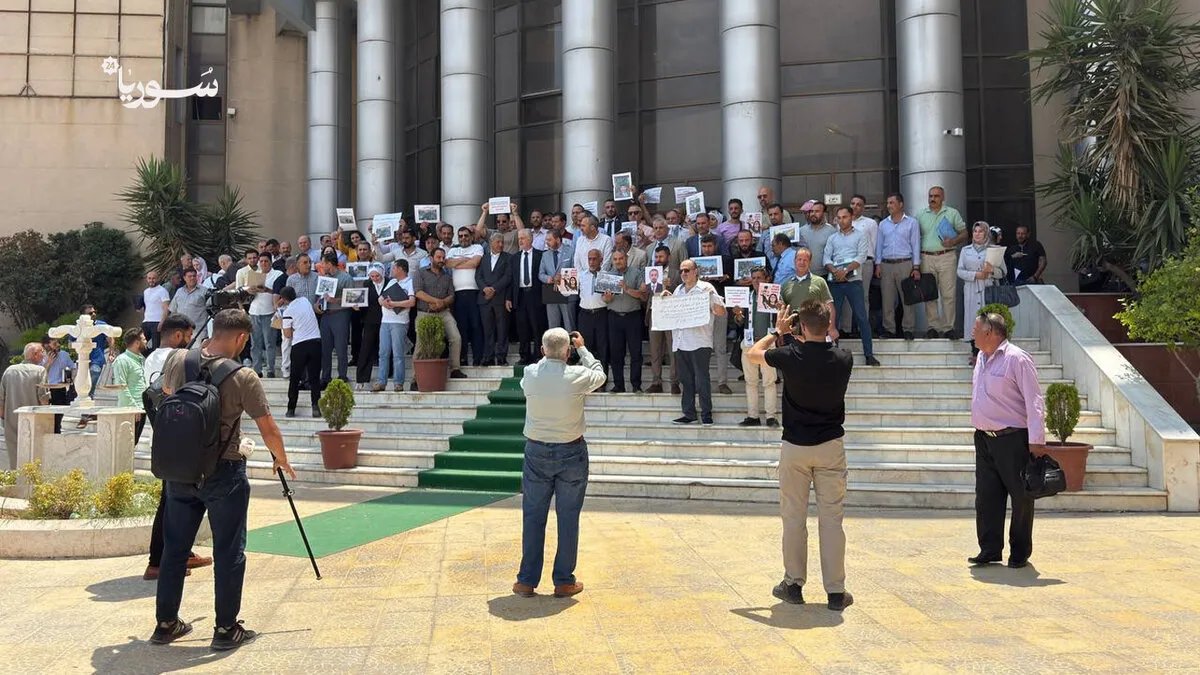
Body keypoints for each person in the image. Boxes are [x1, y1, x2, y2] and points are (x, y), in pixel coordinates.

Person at [150, 309, 296, 651]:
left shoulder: (178, 359)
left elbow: (169, 398)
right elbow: (268, 427)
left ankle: (166, 624)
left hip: (180, 470)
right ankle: (226, 629)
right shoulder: (244, 376)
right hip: (224, 471)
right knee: (229, 550)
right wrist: (281, 459)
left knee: (174, 550)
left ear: (214, 330)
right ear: (242, 338)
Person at [746, 300, 855, 611]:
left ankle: (794, 583)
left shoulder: (790, 355)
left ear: (801, 327)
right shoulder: (843, 358)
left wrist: (777, 331)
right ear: (827, 325)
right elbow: (826, 342)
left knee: (794, 518)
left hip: (795, 446)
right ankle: (836, 591)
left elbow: (753, 354)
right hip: (831, 445)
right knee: (832, 520)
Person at [512, 328, 607, 599]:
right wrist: (583, 350)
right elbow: (600, 375)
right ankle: (563, 580)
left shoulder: (530, 374)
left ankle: (527, 580)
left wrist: (553, 353)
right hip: (571, 451)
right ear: (567, 352)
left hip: (537, 450)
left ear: (542, 351)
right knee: (568, 517)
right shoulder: (576, 375)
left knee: (533, 516)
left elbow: (538, 368)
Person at [969, 312, 1045, 570]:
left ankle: (1020, 552)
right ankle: (989, 549)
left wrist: (1037, 440)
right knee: (987, 496)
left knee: (1021, 495)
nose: (972, 334)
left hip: (1012, 438)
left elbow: (1034, 400)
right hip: (984, 438)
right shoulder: (981, 356)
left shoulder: (1017, 359)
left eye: (976, 329)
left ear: (990, 333)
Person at [142, 313, 210, 582]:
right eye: (189, 335)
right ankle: (157, 560)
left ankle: (181, 552)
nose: (190, 341)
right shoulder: (175, 358)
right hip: (176, 438)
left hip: (167, 437)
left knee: (179, 498)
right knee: (171, 501)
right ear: (180, 334)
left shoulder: (153, 358)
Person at [668, 259, 726, 425]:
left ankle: (707, 415)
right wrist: (665, 300)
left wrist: (712, 299)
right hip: (680, 341)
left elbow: (721, 312)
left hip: (700, 341)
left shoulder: (707, 288)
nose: (684, 274)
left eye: (687, 270)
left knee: (702, 380)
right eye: (681, 271)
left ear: (695, 271)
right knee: (686, 380)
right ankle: (689, 414)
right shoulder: (678, 290)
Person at [824, 205, 881, 367]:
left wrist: (846, 271)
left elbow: (862, 256)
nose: (842, 220)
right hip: (835, 281)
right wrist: (835, 271)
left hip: (854, 281)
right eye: (839, 218)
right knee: (833, 319)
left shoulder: (861, 235)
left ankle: (869, 354)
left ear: (851, 218)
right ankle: (832, 353)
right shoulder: (832, 238)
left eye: (845, 217)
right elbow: (826, 258)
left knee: (862, 318)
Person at [915, 186, 968, 338]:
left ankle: (948, 328)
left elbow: (964, 233)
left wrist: (954, 240)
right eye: (930, 196)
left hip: (946, 256)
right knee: (929, 294)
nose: (933, 199)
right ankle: (933, 327)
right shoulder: (920, 214)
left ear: (943, 197)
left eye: (936, 196)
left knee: (948, 294)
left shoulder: (952, 213)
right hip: (926, 257)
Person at [413, 248, 469, 383]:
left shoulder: (447, 276)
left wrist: (442, 303)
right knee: (421, 345)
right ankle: (416, 379)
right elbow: (418, 292)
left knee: (456, 338)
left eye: (443, 258)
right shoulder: (420, 273)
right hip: (425, 313)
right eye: (438, 257)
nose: (441, 260)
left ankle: (455, 369)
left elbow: (452, 296)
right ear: (431, 258)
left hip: (443, 312)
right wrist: (435, 301)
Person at [732, 267, 778, 427]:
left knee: (769, 381)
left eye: (759, 278)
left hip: (767, 343)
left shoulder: (773, 295)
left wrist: (780, 306)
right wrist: (738, 315)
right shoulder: (746, 297)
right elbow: (739, 322)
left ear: (767, 279)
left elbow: (780, 318)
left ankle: (771, 416)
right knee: (750, 381)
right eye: (754, 278)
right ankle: (753, 416)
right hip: (749, 343)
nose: (757, 281)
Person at [874, 192, 922, 340]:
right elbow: (879, 246)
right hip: (887, 264)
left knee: (907, 298)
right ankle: (889, 329)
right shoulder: (883, 224)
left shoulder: (912, 223)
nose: (889, 206)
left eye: (892, 203)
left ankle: (908, 329)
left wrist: (916, 267)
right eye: (888, 203)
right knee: (887, 299)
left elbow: (915, 245)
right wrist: (878, 264)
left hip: (905, 263)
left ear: (901, 204)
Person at [959, 222, 1007, 365]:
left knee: (988, 320)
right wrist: (976, 275)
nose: (977, 234)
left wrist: (991, 270)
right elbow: (960, 271)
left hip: (988, 288)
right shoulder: (965, 250)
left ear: (986, 233)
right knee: (973, 320)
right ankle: (975, 353)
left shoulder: (994, 250)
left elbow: (1003, 272)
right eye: (975, 231)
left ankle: (990, 351)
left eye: (981, 231)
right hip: (972, 288)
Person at [602, 249, 647, 393]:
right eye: (615, 259)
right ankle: (618, 385)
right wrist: (607, 298)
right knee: (616, 354)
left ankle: (636, 385)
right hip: (614, 317)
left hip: (632, 316)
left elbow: (643, 296)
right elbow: (604, 299)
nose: (618, 262)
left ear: (626, 259)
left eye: (620, 258)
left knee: (635, 353)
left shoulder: (636, 273)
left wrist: (626, 288)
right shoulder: (608, 276)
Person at [278, 286, 323, 417]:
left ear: (284, 299)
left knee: (295, 378)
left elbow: (287, 335)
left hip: (299, 345)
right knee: (314, 378)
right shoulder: (305, 301)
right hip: (315, 342)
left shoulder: (287, 312)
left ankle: (291, 408)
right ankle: (316, 406)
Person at [0, 343, 47, 468]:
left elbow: (1, 399)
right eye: (42, 351)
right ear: (35, 354)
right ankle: (32, 482)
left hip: (11, 419)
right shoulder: (40, 371)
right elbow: (43, 398)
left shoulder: (9, 370)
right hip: (34, 418)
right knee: (34, 453)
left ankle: (16, 481)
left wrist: (4, 419)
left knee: (14, 453)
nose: (44, 354)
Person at [446, 226, 486, 366]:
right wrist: (465, 260)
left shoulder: (477, 248)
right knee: (461, 327)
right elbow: (448, 263)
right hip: (458, 294)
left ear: (471, 236)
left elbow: (475, 263)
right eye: (461, 236)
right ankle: (462, 358)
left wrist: (458, 262)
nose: (463, 238)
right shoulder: (453, 250)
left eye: (466, 235)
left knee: (476, 326)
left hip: (474, 292)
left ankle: (477, 357)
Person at [377, 260, 417, 391]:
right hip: (385, 320)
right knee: (383, 352)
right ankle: (381, 381)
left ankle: (398, 382)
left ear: (400, 269)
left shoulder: (410, 282)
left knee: (398, 353)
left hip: (400, 321)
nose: (392, 270)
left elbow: (411, 302)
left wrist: (394, 304)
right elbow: (380, 297)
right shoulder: (392, 282)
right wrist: (384, 303)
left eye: (394, 268)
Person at [476, 233, 514, 366]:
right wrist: (485, 288)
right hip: (485, 298)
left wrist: (494, 289)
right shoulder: (484, 258)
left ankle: (502, 357)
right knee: (487, 329)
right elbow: (478, 276)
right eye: (498, 242)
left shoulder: (508, 258)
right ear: (491, 243)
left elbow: (508, 277)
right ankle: (488, 356)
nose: (501, 245)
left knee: (502, 329)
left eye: (502, 242)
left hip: (500, 298)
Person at [508, 230, 545, 365]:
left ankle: (538, 355)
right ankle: (524, 355)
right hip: (520, 295)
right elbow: (511, 279)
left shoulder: (540, 255)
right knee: (522, 327)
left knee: (537, 326)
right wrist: (508, 298)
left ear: (531, 239)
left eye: (523, 238)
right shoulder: (515, 257)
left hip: (535, 295)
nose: (520, 241)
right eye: (519, 238)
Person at [317, 253, 354, 385]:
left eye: (323, 263)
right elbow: (320, 296)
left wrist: (335, 300)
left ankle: (342, 375)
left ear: (329, 264)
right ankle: (325, 376)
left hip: (340, 314)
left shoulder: (346, 277)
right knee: (325, 348)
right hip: (326, 314)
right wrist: (318, 304)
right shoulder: (324, 278)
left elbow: (352, 298)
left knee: (340, 347)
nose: (321, 266)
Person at [248, 254, 282, 378]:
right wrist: (250, 290)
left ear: (270, 262)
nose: (263, 263)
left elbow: (279, 292)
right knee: (255, 343)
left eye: (266, 261)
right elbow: (247, 293)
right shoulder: (254, 273)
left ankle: (270, 369)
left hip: (269, 312)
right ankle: (256, 369)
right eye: (261, 261)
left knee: (269, 342)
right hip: (254, 311)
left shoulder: (277, 274)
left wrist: (267, 290)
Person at [111, 327, 148, 440]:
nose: (146, 341)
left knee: (133, 444)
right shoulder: (122, 360)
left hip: (141, 408)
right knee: (125, 444)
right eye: (144, 339)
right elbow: (121, 387)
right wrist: (133, 408)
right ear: (137, 343)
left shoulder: (141, 359)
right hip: (130, 410)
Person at [538, 230, 576, 332]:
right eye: (546, 240)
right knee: (553, 326)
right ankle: (554, 348)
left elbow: (576, 270)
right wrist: (548, 279)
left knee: (569, 325)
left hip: (567, 292)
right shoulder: (545, 255)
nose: (547, 242)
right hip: (551, 292)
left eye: (549, 240)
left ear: (558, 239)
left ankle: (571, 348)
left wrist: (563, 276)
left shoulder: (571, 251)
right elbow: (540, 274)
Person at [356, 265, 386, 390]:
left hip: (386, 319)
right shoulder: (367, 283)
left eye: (377, 276)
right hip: (370, 320)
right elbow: (363, 300)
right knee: (366, 348)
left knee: (385, 347)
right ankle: (362, 378)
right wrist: (356, 305)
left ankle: (388, 373)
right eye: (372, 276)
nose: (375, 279)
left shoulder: (389, 282)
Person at [42, 336, 75, 434]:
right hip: (45, 389)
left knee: (58, 414)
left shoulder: (64, 355)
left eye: (58, 343)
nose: (58, 346)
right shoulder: (42, 356)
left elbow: (73, 367)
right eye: (54, 344)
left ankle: (56, 432)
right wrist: (48, 363)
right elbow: (39, 373)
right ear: (46, 345)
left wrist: (70, 379)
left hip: (59, 388)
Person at [141, 271, 170, 349]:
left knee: (156, 347)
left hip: (157, 322)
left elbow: (166, 309)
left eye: (154, 278)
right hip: (146, 322)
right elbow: (147, 307)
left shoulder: (162, 291)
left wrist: (161, 323)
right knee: (140, 345)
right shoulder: (145, 292)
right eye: (149, 278)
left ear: (158, 279)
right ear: (147, 279)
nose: (151, 280)